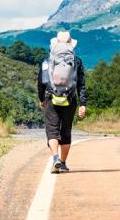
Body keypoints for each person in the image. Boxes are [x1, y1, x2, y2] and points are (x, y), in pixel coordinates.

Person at [37, 31, 87, 174]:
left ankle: (55, 159)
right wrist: (83, 104)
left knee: (52, 130)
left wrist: (42, 99)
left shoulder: (47, 60)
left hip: (51, 98)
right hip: (70, 99)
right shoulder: (77, 61)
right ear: (71, 45)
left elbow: (41, 82)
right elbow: (81, 84)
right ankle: (63, 163)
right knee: (66, 130)